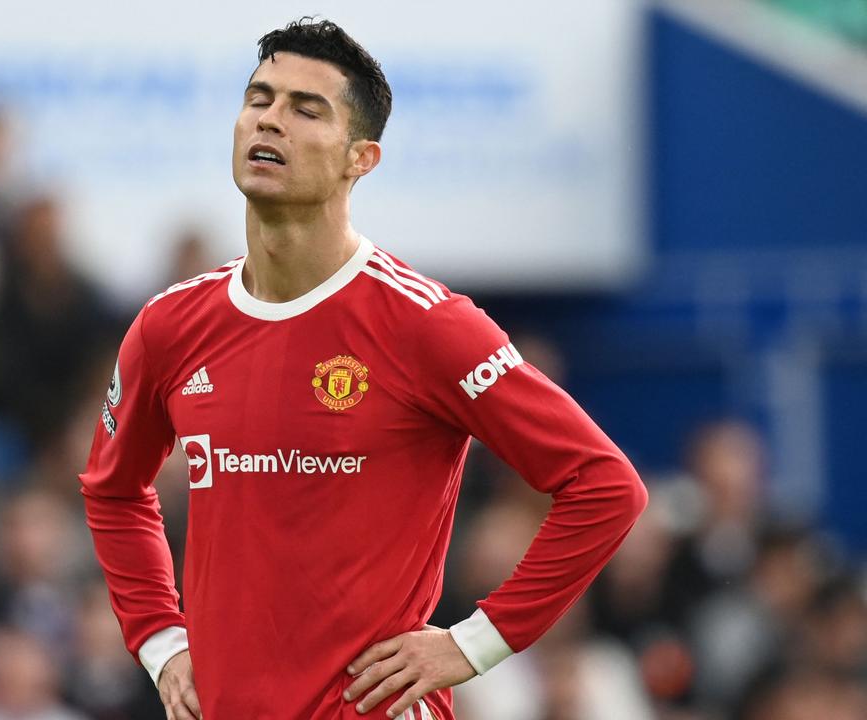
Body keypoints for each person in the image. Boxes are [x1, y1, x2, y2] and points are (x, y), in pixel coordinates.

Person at [78, 18, 647, 720]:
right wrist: (162, 642)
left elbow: (605, 486)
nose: (271, 120)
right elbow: (112, 490)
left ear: (360, 158)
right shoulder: (169, 328)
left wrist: (476, 642)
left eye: (305, 109)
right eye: (260, 99)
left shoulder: (425, 325)